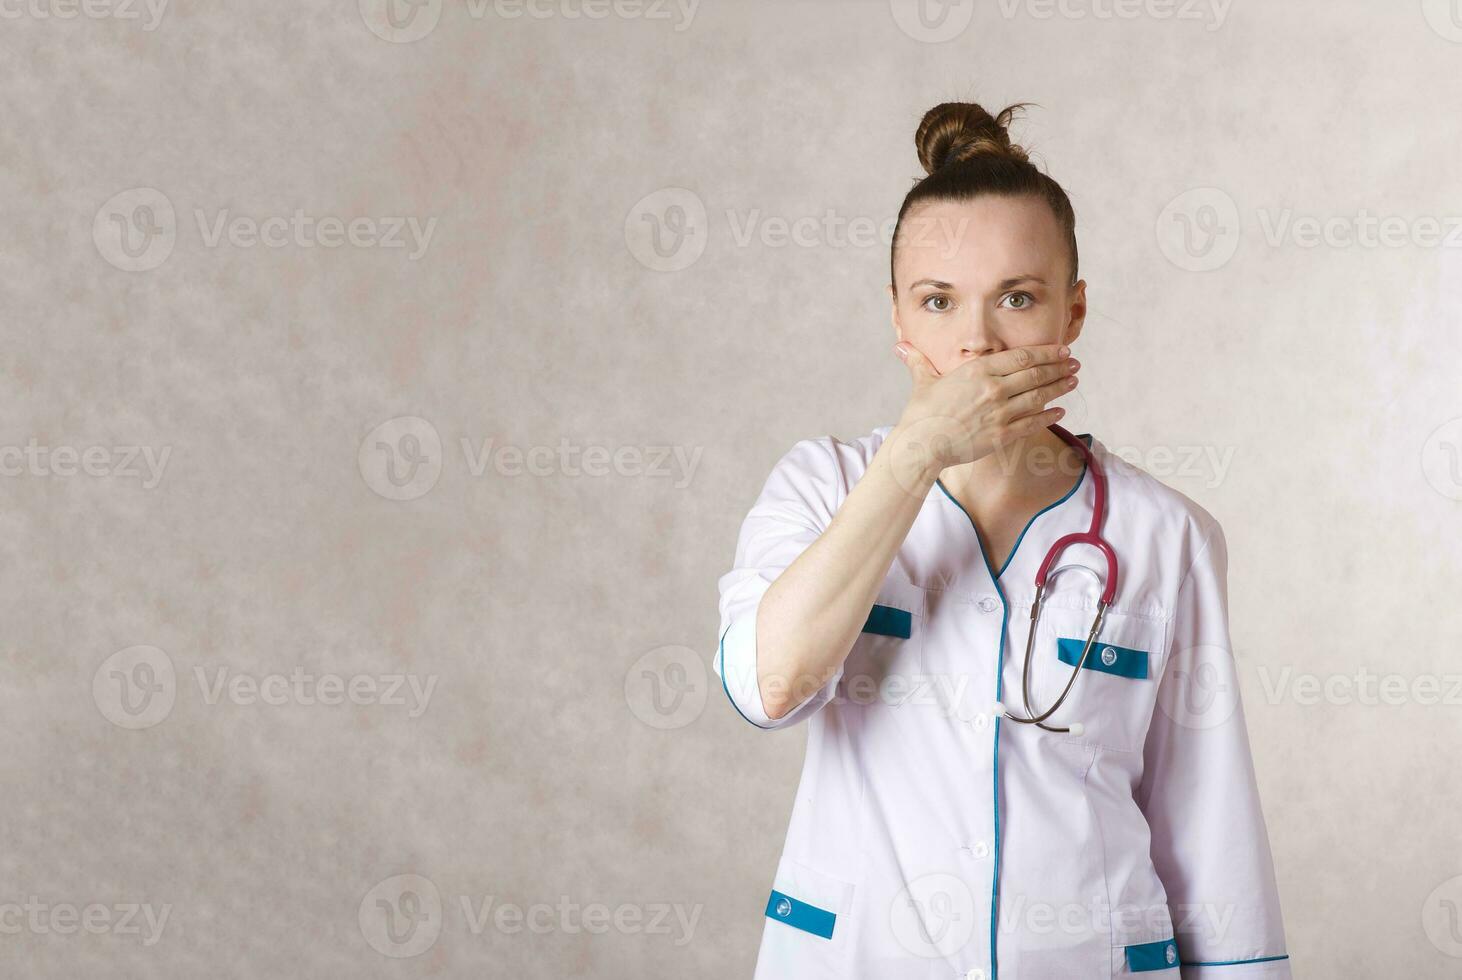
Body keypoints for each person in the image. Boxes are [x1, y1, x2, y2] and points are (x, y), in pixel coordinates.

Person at [714, 101, 1290, 979]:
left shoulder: (1166, 536)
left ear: (1075, 311)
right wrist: (915, 458)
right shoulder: (819, 487)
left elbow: (1209, 826)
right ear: (898, 318)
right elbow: (770, 686)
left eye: (1017, 299)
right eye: (939, 301)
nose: (977, 345)